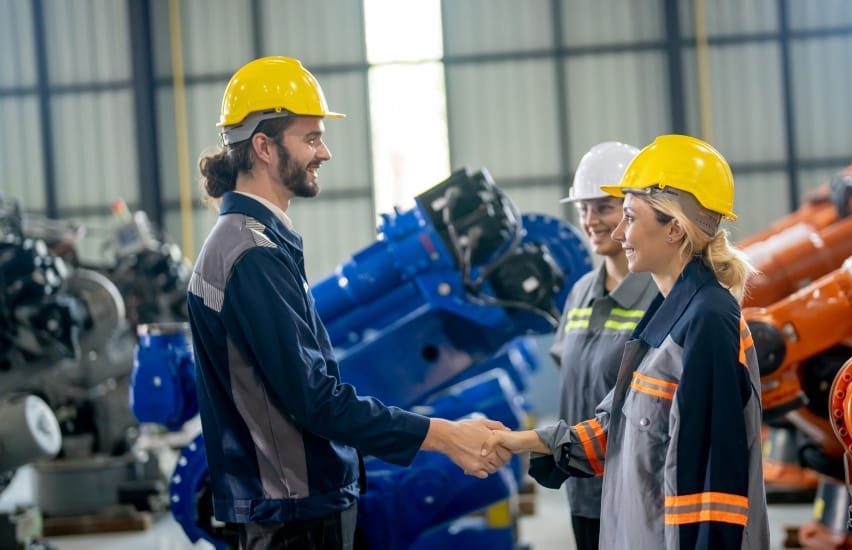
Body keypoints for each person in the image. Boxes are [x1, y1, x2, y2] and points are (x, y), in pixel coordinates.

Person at [187, 56, 508, 550]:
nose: (325, 153)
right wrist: (446, 436)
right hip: (292, 515)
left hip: (296, 504)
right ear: (264, 147)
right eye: (311, 138)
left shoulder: (255, 242)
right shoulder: (249, 254)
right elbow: (314, 399)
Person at [482, 135, 769, 549]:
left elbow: (712, 493)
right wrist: (516, 441)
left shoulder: (707, 321)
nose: (617, 231)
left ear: (674, 227)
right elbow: (619, 429)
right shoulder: (668, 315)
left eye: (629, 217)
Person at [552, 142, 657, 550]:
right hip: (582, 487)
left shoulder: (659, 294)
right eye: (583, 209)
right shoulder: (580, 291)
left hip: (638, 491)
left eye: (604, 207)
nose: (590, 220)